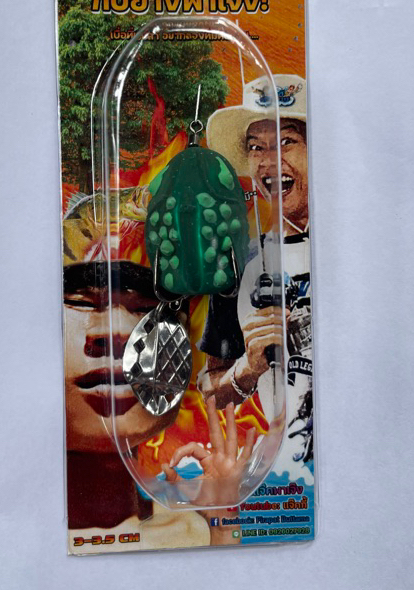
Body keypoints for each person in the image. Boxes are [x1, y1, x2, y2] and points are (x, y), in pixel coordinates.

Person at [62, 191, 257, 553]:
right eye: (81, 301)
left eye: (146, 306)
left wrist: (222, 518)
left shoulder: (194, 528)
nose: (120, 331)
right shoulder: (11, 534)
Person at [197, 75, 313, 464]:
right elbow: (211, 390)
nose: (268, 161)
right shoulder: (241, 265)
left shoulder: (357, 249)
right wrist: (246, 370)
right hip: (291, 472)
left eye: (286, 142)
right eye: (255, 147)